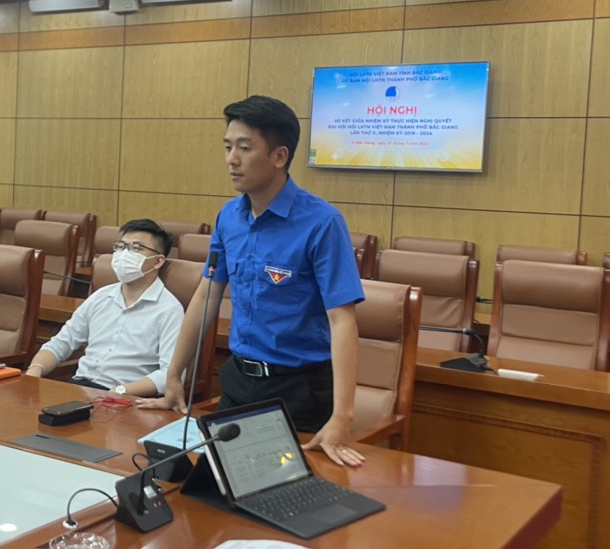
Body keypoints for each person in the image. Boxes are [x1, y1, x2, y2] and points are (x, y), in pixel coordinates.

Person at [141, 95, 366, 468]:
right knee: (209, 484)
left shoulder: (322, 223)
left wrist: (342, 416)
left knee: (289, 493)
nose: (232, 159)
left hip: (300, 391)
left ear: (279, 156)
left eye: (244, 148)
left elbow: (342, 320)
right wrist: (173, 374)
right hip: (238, 382)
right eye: (228, 147)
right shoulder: (229, 216)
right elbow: (207, 295)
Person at [25, 219, 183, 397]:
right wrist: (35, 370)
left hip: (126, 398)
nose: (124, 254)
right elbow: (60, 344)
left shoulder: (169, 310)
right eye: (120, 247)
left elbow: (170, 374)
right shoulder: (100, 296)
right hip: (80, 390)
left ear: (157, 261)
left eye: (136, 248)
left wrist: (119, 391)